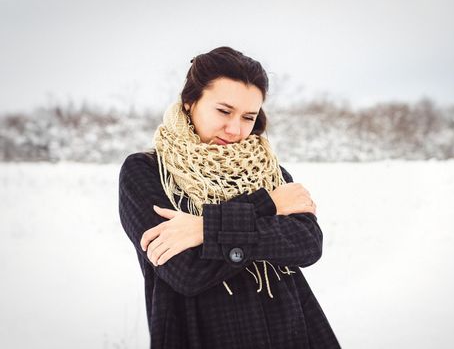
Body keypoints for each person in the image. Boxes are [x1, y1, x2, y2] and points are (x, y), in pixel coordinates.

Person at [118, 46, 341, 348]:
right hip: (203, 336)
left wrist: (204, 229)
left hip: (294, 332)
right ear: (189, 102)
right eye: (223, 111)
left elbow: (307, 244)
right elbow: (186, 272)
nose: (236, 129)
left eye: (249, 117)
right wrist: (268, 205)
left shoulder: (268, 170)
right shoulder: (146, 171)